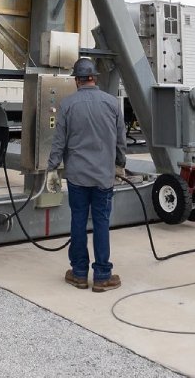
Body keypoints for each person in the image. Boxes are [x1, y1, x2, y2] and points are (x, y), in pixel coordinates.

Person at [46, 57, 127, 293]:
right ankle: (102, 275)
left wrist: (52, 167)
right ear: (94, 77)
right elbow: (120, 141)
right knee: (101, 223)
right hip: (103, 176)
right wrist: (119, 163)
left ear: (76, 80)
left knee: (78, 221)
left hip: (77, 177)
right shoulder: (112, 103)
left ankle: (79, 274)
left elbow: (59, 142)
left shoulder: (68, 105)